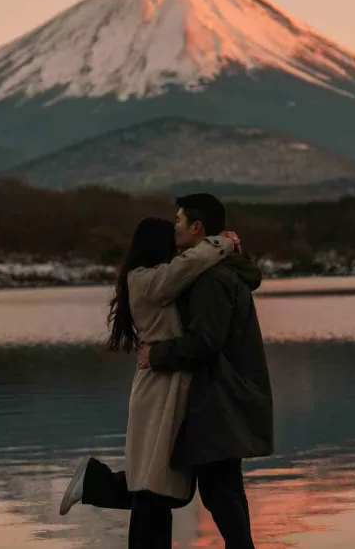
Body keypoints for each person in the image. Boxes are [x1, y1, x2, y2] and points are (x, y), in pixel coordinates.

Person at [58, 216, 239, 548]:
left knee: (161, 487)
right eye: (171, 238)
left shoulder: (152, 280)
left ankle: (94, 482)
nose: (176, 244)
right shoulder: (146, 280)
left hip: (166, 385)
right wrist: (222, 242)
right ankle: (94, 482)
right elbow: (191, 262)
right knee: (156, 489)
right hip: (158, 391)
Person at [138, 193, 273, 549]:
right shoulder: (226, 272)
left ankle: (94, 485)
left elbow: (205, 341)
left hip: (219, 397)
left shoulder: (211, 280)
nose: (174, 227)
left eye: (179, 220)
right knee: (221, 488)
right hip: (228, 393)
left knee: (219, 491)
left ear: (197, 228)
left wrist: (157, 354)